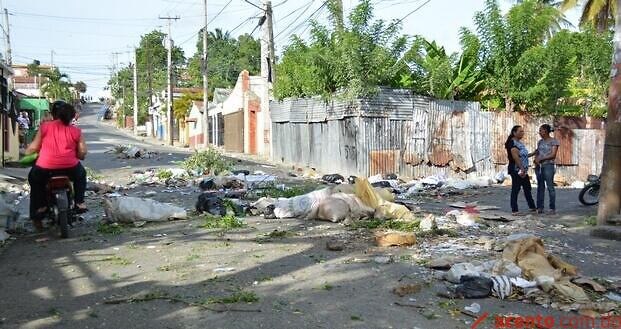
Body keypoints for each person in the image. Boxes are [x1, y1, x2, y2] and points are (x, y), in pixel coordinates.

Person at [25, 101, 88, 231]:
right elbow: (82, 153)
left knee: (34, 178)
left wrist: (27, 153)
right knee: (81, 174)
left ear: (53, 114)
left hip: (44, 168)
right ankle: (80, 202)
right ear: (71, 116)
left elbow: (33, 148)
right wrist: (76, 155)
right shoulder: (76, 131)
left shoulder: (44, 127)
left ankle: (40, 206)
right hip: (70, 168)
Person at [505, 125, 536, 215]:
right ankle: (514, 210)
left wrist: (533, 153)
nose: (522, 133)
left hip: (522, 169)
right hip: (516, 168)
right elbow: (516, 157)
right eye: (520, 131)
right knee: (516, 188)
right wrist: (521, 168)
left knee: (527, 187)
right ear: (514, 133)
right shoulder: (512, 143)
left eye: (523, 131)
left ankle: (532, 207)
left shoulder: (519, 143)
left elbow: (523, 155)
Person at [533, 124, 559, 214]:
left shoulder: (554, 141)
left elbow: (553, 155)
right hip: (539, 166)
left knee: (550, 187)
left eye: (541, 130)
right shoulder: (540, 142)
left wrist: (541, 159)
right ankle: (540, 207)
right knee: (540, 187)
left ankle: (552, 208)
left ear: (546, 131)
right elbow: (537, 152)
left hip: (548, 166)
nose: (539, 132)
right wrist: (536, 159)